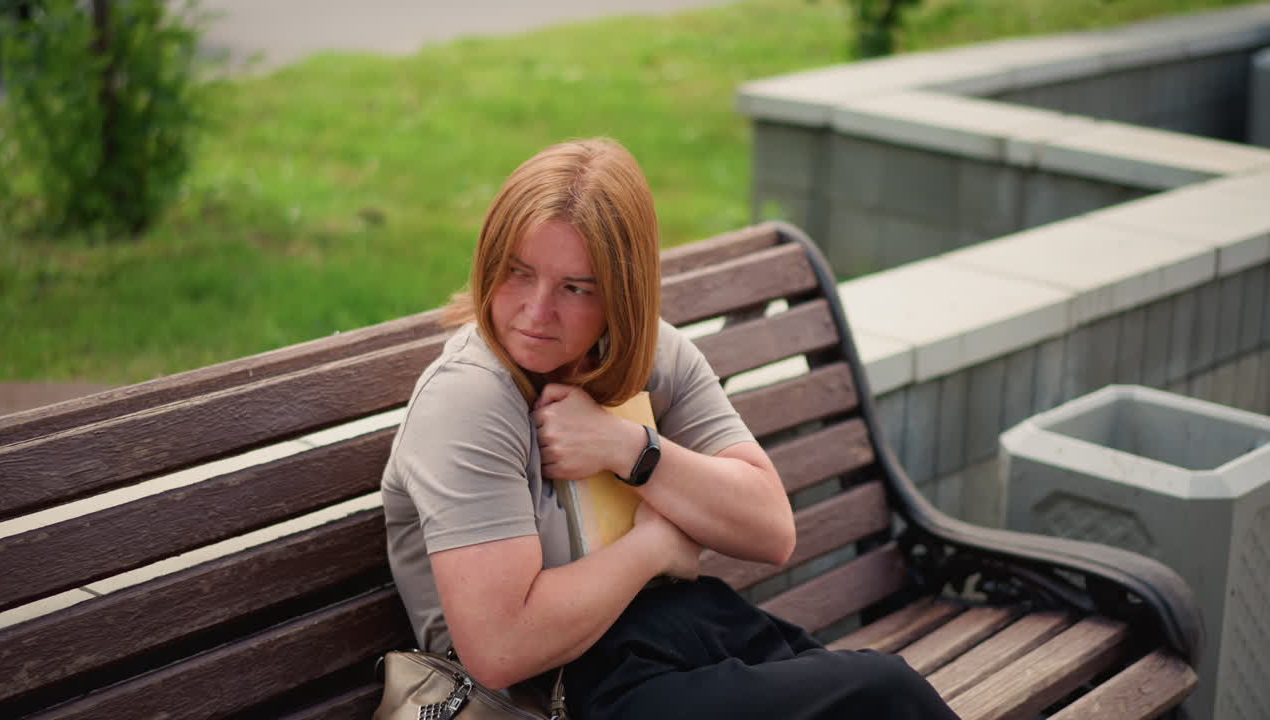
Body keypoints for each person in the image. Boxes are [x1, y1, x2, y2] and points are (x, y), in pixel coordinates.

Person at [381, 138, 960, 719]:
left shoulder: (647, 354)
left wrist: (629, 449)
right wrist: (655, 547)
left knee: (881, 698)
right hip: (565, 691)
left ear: (620, 295)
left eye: (575, 288)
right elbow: (501, 650)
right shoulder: (470, 399)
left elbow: (770, 529)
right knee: (883, 692)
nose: (536, 311)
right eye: (517, 272)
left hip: (691, 633)